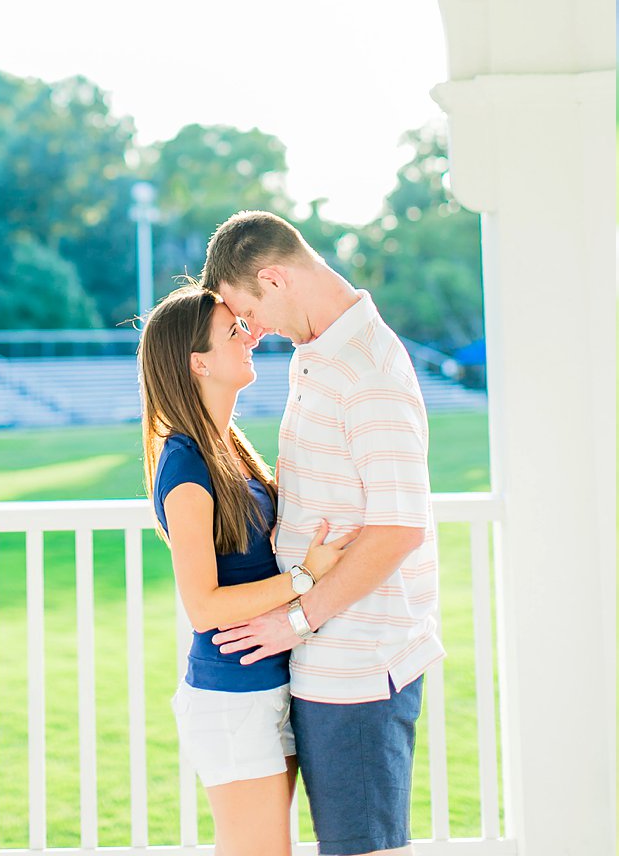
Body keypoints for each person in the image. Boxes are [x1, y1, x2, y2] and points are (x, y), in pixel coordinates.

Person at [199, 210, 443, 856]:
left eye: (247, 312)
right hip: (319, 657)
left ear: (274, 279)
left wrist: (297, 619)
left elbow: (398, 528)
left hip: (357, 664)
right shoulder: (316, 355)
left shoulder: (368, 373)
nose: (253, 330)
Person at [137, 282, 349, 856]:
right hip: (233, 697)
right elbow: (202, 606)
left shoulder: (228, 446)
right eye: (234, 330)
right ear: (197, 362)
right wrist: (304, 576)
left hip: (269, 681)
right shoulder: (186, 466)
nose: (250, 335)